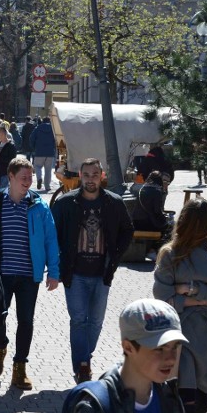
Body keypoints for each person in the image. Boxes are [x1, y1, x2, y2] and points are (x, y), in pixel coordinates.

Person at [51, 158, 135, 383]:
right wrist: (56, 262)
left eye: (94, 175)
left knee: (96, 321)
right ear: (80, 175)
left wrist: (116, 255)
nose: (90, 180)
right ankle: (83, 366)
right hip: (75, 272)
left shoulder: (113, 203)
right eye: (86, 175)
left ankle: (84, 358)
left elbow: (128, 230)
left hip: (102, 272)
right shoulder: (66, 203)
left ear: (102, 176)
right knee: (78, 320)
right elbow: (52, 232)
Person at [0, 158, 60, 390]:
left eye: (30, 177)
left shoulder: (38, 205)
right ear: (11, 177)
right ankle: (0, 347)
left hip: (28, 275)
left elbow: (50, 239)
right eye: (23, 177)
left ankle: (20, 367)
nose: (28, 181)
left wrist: (53, 272)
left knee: (26, 321)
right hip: (0, 274)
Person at [153, 198, 207, 413]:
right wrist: (199, 299)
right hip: (177, 331)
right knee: (183, 393)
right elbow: (163, 295)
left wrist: (188, 289)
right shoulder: (169, 253)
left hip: (204, 333)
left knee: (202, 396)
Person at [59, 298, 189, 413]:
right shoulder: (95, 409)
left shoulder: (169, 399)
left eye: (174, 347)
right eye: (159, 349)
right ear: (128, 347)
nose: (171, 359)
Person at [30, 116, 56, 192]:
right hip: (50, 152)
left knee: (37, 166)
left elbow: (31, 138)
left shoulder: (37, 128)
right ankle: (47, 186)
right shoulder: (53, 130)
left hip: (39, 152)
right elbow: (56, 140)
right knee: (48, 170)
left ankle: (39, 178)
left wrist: (34, 147)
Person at [0, 126, 16, 191]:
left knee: (3, 192)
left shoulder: (11, 145)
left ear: (2, 134)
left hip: (5, 173)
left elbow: (12, 160)